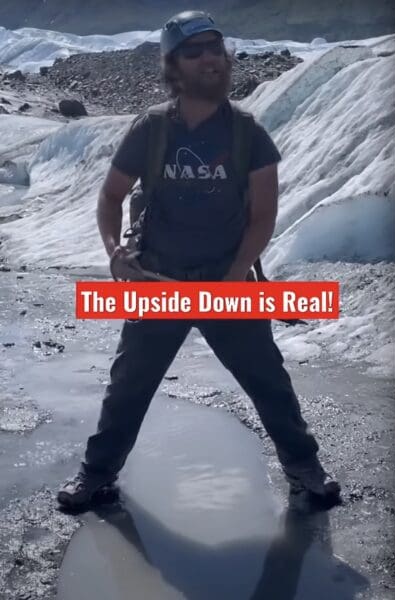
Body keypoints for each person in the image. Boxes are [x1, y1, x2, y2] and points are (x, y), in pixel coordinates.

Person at [58, 11, 340, 511]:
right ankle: (97, 475)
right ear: (174, 66)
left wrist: (233, 280)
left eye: (215, 47)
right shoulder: (151, 129)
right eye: (195, 51)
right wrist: (114, 255)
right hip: (157, 281)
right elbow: (110, 197)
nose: (210, 57)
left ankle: (305, 469)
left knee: (269, 382)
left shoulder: (248, 134)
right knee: (128, 388)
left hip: (226, 280)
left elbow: (262, 218)